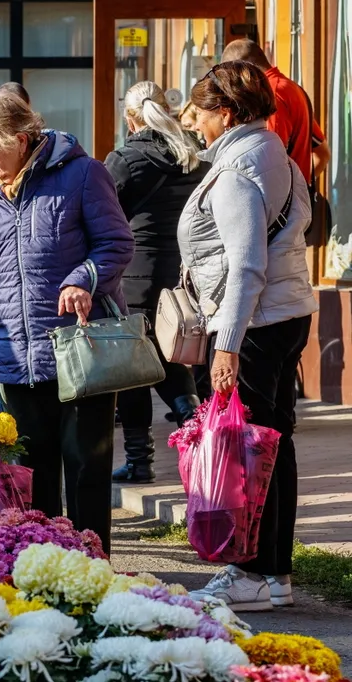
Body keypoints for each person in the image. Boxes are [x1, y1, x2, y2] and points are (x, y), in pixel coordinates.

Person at [0, 90, 134, 555]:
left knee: (86, 468)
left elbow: (116, 244)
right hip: (16, 354)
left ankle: (92, 564)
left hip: (80, 351)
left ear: (20, 137)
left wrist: (82, 280)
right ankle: (45, 564)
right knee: (30, 477)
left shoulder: (83, 174)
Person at [181, 61, 317, 611]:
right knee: (272, 445)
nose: (195, 123)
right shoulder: (275, 151)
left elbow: (245, 265)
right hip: (285, 313)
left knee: (247, 450)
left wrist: (227, 343)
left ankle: (253, 573)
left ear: (228, 112)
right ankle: (275, 574)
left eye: (202, 113)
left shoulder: (238, 168)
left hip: (255, 322)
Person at [104, 81, 209, 484]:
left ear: (131, 118)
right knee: (166, 357)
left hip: (134, 277)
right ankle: (196, 428)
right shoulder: (193, 154)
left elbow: (102, 213)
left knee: (133, 368)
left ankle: (140, 459)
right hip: (181, 274)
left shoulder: (126, 159)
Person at [221, 39, 330, 184]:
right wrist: (301, 188)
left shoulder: (271, 93)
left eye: (232, 76)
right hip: (291, 198)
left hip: (279, 200)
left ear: (244, 69)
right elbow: (322, 154)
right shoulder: (291, 88)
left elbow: (270, 162)